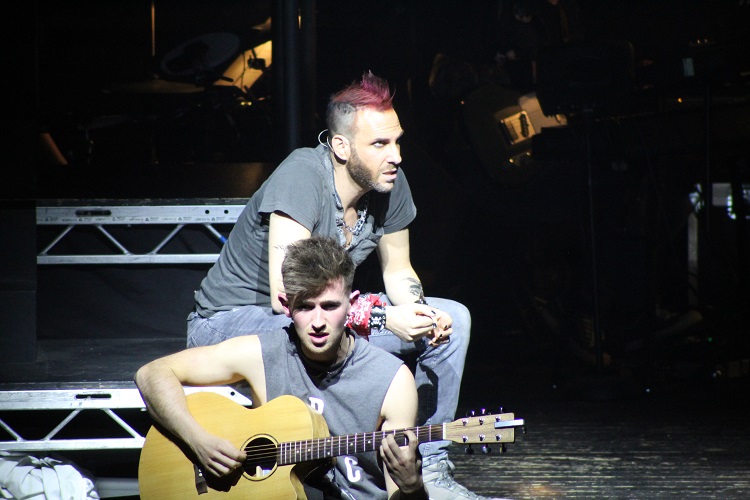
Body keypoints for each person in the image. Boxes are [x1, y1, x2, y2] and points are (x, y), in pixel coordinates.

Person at [187, 71, 480, 499]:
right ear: (342, 147)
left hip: (314, 317)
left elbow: (399, 271)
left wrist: (420, 313)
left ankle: (427, 467)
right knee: (330, 329)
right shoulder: (303, 174)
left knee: (455, 319)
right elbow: (289, 295)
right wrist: (383, 318)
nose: (396, 156)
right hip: (233, 323)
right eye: (380, 144)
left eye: (397, 142)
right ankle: (342, 470)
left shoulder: (388, 182)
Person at [136, 237, 426, 499]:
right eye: (305, 307)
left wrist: (412, 487)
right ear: (287, 306)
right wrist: (198, 440)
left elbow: (399, 493)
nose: (318, 322)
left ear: (351, 304)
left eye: (329, 306)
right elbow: (151, 374)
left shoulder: (392, 381)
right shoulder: (263, 353)